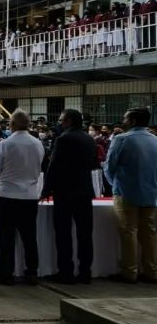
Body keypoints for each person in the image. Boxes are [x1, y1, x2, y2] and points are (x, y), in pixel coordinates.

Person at [41, 109, 96, 284]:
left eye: (61, 120)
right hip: (85, 191)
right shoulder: (89, 139)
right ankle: (85, 272)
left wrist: (46, 189)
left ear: (69, 121)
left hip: (65, 192)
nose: (59, 122)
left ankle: (66, 272)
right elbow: (93, 163)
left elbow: (53, 166)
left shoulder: (63, 139)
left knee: (63, 234)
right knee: (85, 233)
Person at [0, 109, 45, 285]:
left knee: (6, 237)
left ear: (12, 124)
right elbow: (38, 168)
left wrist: (2, 182)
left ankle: (6, 274)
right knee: (29, 237)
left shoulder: (5, 144)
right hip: (30, 195)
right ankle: (32, 272)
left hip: (7, 194)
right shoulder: (37, 143)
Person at [104, 107, 157, 283]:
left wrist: (115, 186)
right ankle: (151, 271)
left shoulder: (121, 139)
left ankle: (129, 271)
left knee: (129, 232)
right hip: (151, 193)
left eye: (125, 118)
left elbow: (110, 166)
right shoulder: (155, 140)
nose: (123, 121)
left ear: (132, 121)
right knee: (149, 233)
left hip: (126, 193)